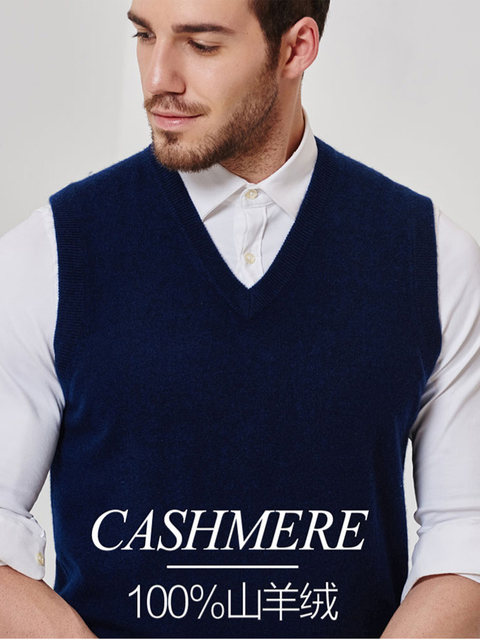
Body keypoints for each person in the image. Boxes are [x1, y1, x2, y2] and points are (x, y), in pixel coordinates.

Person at [1, 0, 480, 637]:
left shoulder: (431, 257)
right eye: (144, 35)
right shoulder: (49, 254)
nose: (157, 78)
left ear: (296, 48)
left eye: (201, 44)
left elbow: (466, 532)